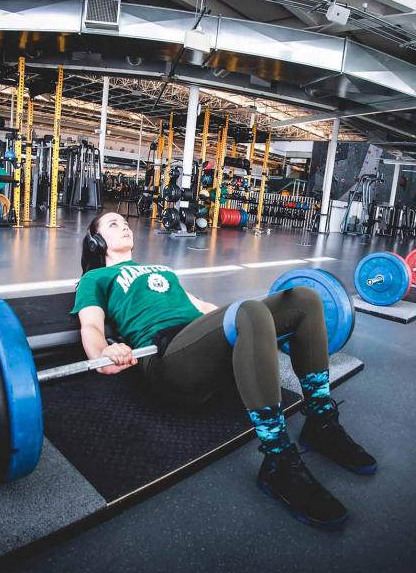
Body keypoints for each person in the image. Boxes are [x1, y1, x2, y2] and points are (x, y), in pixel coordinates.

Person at [72, 212, 376, 529]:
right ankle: (278, 462)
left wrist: (255, 330)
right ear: (96, 241)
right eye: (112, 224)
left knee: (305, 298)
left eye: (124, 222)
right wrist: (103, 352)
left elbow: (203, 309)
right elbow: (90, 326)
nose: (123, 226)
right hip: (167, 360)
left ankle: (321, 423)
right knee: (249, 310)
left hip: (201, 346)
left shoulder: (162, 270)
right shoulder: (96, 278)